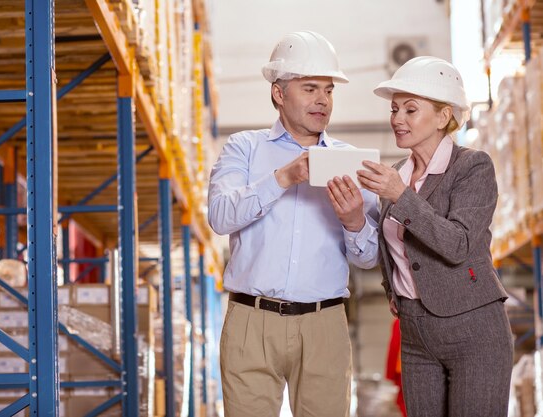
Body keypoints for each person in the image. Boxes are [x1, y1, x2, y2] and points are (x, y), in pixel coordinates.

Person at [208, 30, 379, 417]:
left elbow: (369, 258)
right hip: (252, 321)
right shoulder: (244, 148)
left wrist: (354, 222)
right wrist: (282, 179)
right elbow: (219, 216)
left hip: (325, 324)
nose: (322, 100)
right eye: (310, 88)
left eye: (329, 90)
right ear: (278, 94)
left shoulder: (353, 161)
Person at [357, 56, 513, 417]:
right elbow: (390, 246)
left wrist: (402, 196)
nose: (397, 119)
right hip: (415, 335)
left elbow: (458, 243)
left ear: (444, 117)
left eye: (411, 110)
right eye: (395, 109)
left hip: (474, 332)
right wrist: (392, 290)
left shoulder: (471, 167)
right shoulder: (396, 175)